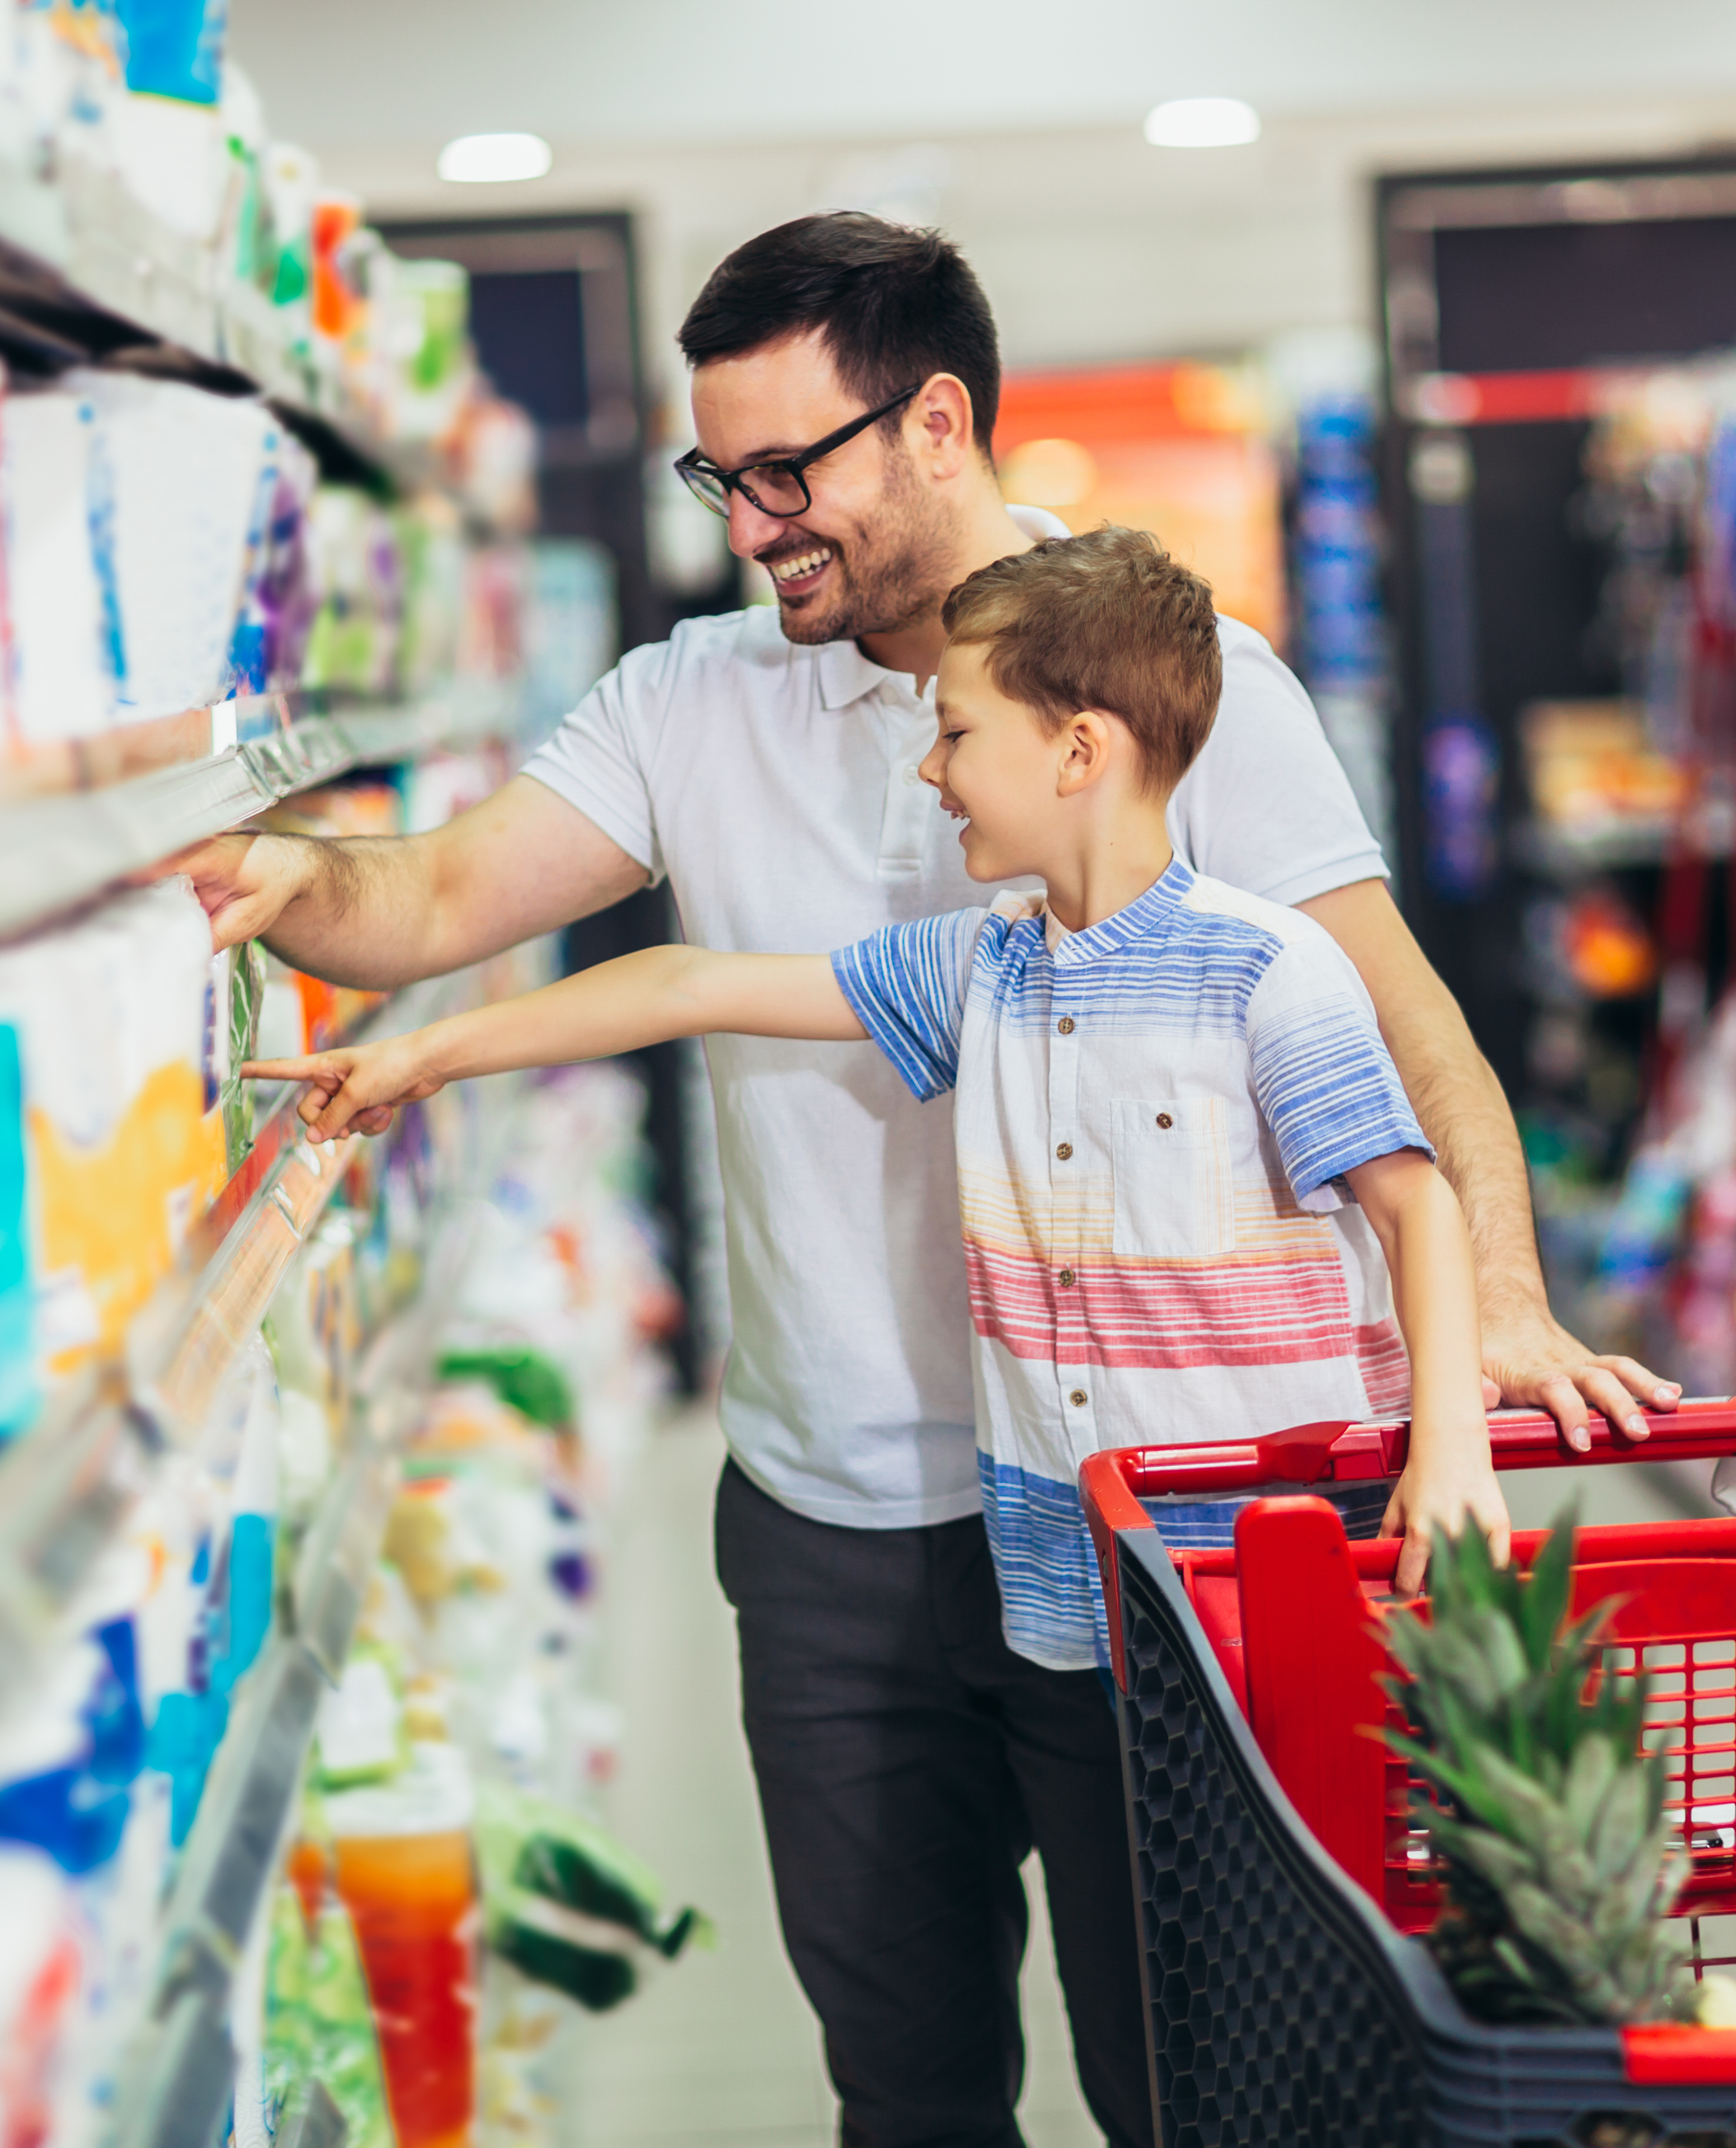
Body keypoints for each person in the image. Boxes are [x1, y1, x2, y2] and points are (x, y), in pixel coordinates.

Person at [176, 214, 1667, 2148]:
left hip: (1163, 1524)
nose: (750, 524)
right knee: (909, 2092)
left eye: (789, 472)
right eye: (721, 478)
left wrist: (1509, 1301)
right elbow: (450, 896)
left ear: (938, 422)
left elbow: (1412, 1035)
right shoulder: (693, 699)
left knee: (1192, 2075)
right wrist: (306, 878)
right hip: (834, 1530)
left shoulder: (1171, 691)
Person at [248, 524, 1510, 1633]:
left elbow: (1416, 1204)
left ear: (1079, 754)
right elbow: (691, 983)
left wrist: (1452, 1447)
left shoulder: (1268, 970)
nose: (930, 768)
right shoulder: (989, 968)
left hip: (1280, 1560)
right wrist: (419, 1057)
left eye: (956, 735)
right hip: (1084, 1578)